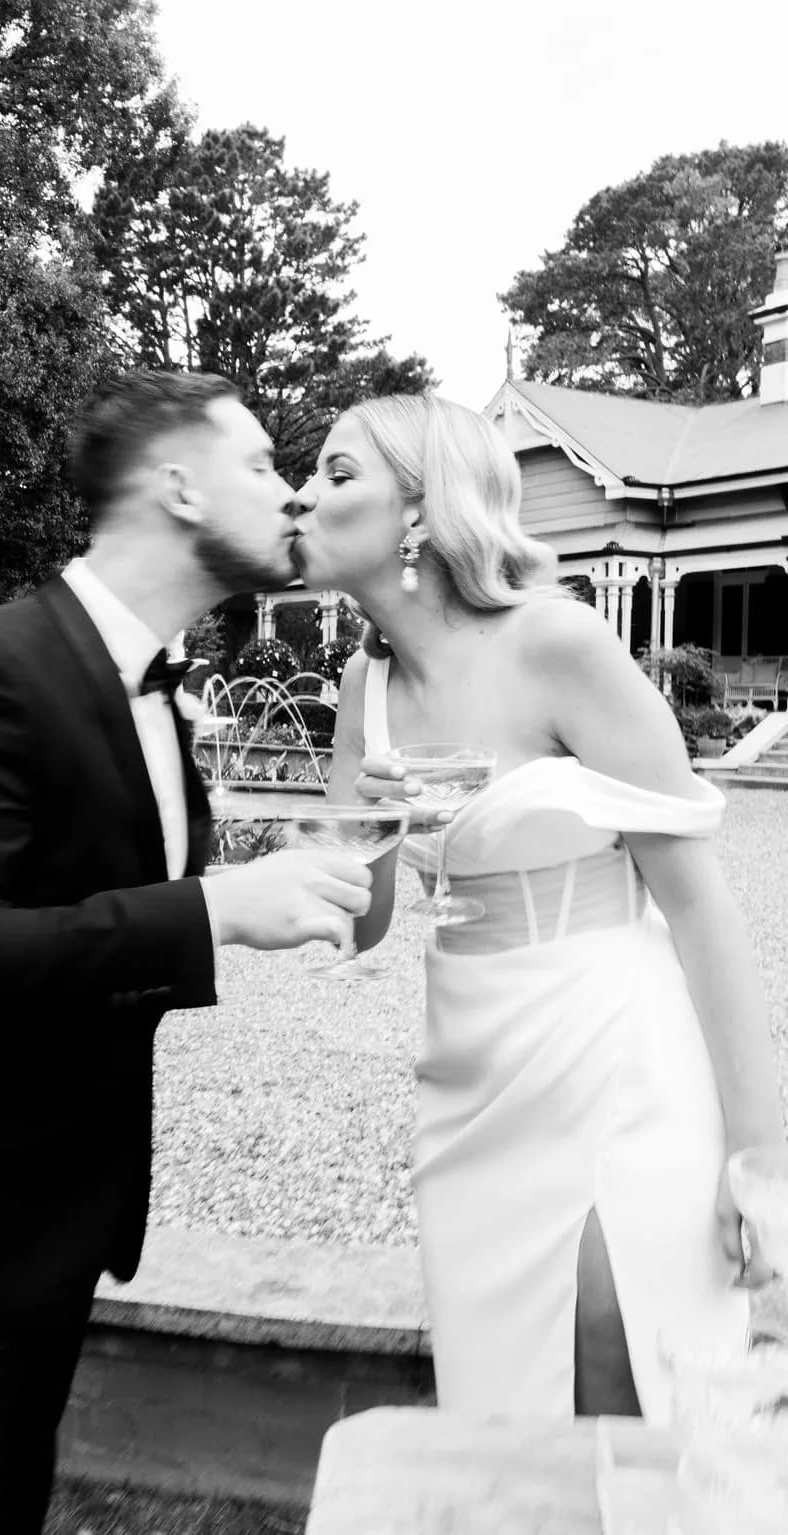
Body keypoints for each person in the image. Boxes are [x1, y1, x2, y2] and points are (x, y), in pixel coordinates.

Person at [0, 371, 372, 1533]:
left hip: (47, 1226)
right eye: (259, 463)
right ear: (180, 485)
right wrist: (215, 911)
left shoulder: (153, 681)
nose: (291, 490)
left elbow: (85, 898)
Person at [292, 390, 785, 1423]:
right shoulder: (358, 685)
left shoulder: (558, 643)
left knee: (619, 1362)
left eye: (338, 474)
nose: (302, 495)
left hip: (607, 1041)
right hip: (467, 1064)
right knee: (505, 1396)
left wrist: (760, 1164)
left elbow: (700, 911)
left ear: (421, 513)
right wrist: (351, 834)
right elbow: (365, 919)